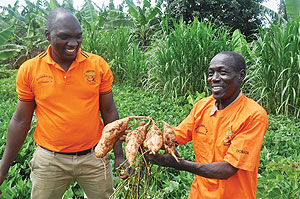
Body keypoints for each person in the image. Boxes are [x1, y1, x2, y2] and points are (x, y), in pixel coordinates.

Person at [0, 8, 128, 199]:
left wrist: (119, 155)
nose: (73, 43)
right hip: (49, 161)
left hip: (95, 156)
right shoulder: (30, 70)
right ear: (47, 36)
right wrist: (3, 168)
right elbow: (20, 121)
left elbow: (109, 110)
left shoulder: (97, 65)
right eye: (64, 37)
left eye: (78, 37)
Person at [146, 51, 269, 199]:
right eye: (211, 73)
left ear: (241, 76)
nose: (214, 79)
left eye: (222, 73)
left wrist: (179, 164)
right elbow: (175, 136)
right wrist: (146, 138)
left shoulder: (253, 115)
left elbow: (228, 169)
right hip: (199, 194)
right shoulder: (202, 107)